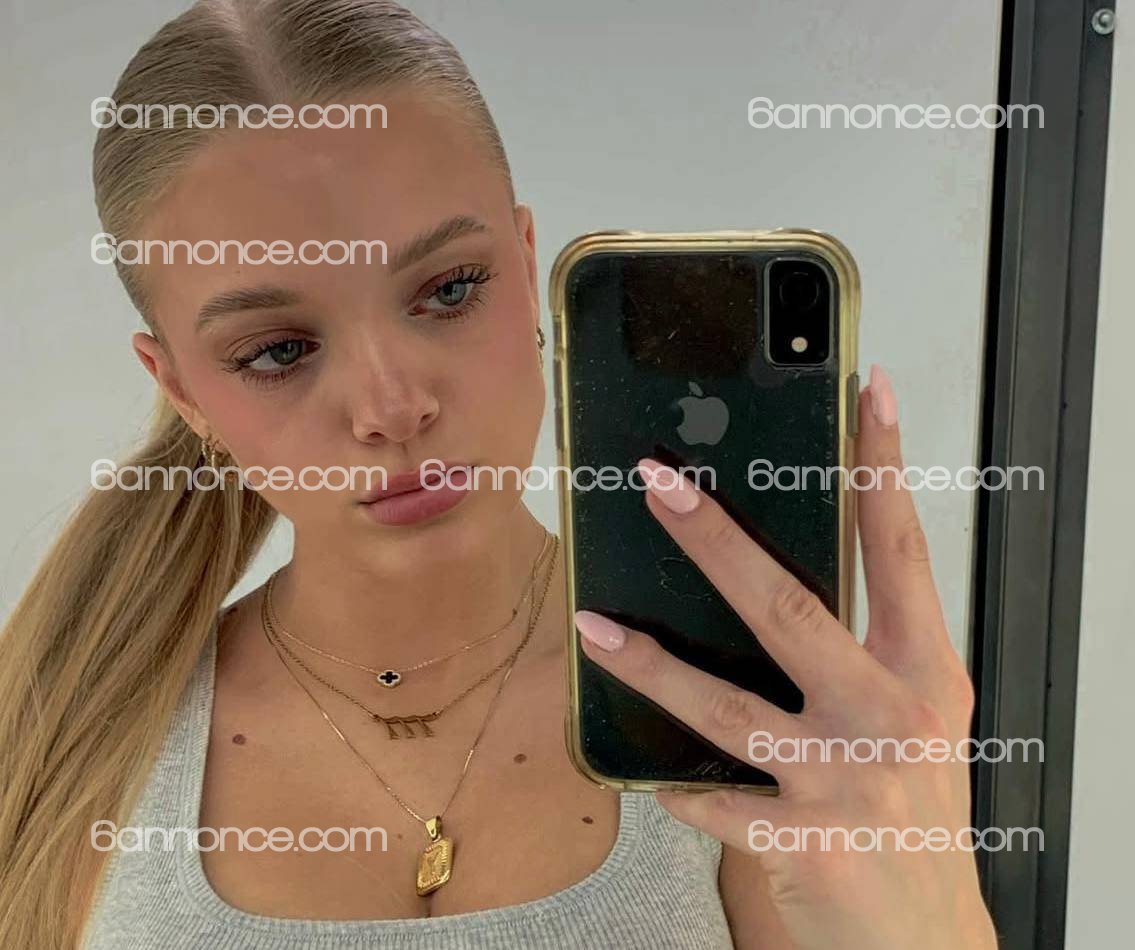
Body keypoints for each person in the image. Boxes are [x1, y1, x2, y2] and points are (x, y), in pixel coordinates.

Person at [0, 1, 998, 947]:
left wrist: (931, 915)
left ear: (527, 269)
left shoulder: (748, 721)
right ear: (179, 389)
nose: (394, 406)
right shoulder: (62, 743)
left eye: (448, 290)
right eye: (277, 350)